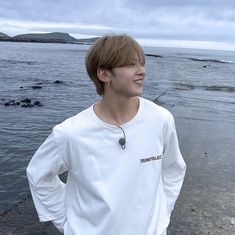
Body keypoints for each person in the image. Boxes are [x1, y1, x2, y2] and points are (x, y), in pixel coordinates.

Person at [26, 34, 186, 235]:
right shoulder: (71, 133)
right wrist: (67, 222)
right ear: (104, 74)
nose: (142, 71)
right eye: (130, 65)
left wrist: (162, 216)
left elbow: (173, 170)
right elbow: (38, 175)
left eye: (142, 64)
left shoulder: (161, 119)